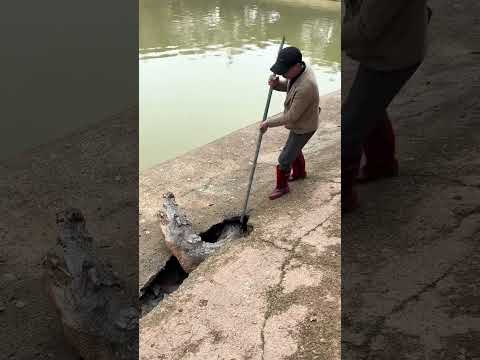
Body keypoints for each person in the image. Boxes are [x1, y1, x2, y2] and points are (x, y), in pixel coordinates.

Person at [341, 1, 432, 212]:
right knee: (369, 105)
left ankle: (344, 199)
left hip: (394, 54)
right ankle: (381, 164)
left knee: (349, 127)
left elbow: (364, 29)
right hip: (390, 42)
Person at [260, 46, 320, 200]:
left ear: (296, 66)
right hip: (301, 120)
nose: (281, 74)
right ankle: (300, 173)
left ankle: (282, 187)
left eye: (283, 71)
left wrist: (268, 123)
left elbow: (291, 116)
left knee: (284, 158)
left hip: (304, 125)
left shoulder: (307, 86)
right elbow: (290, 85)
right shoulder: (299, 71)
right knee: (294, 149)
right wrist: (277, 84)